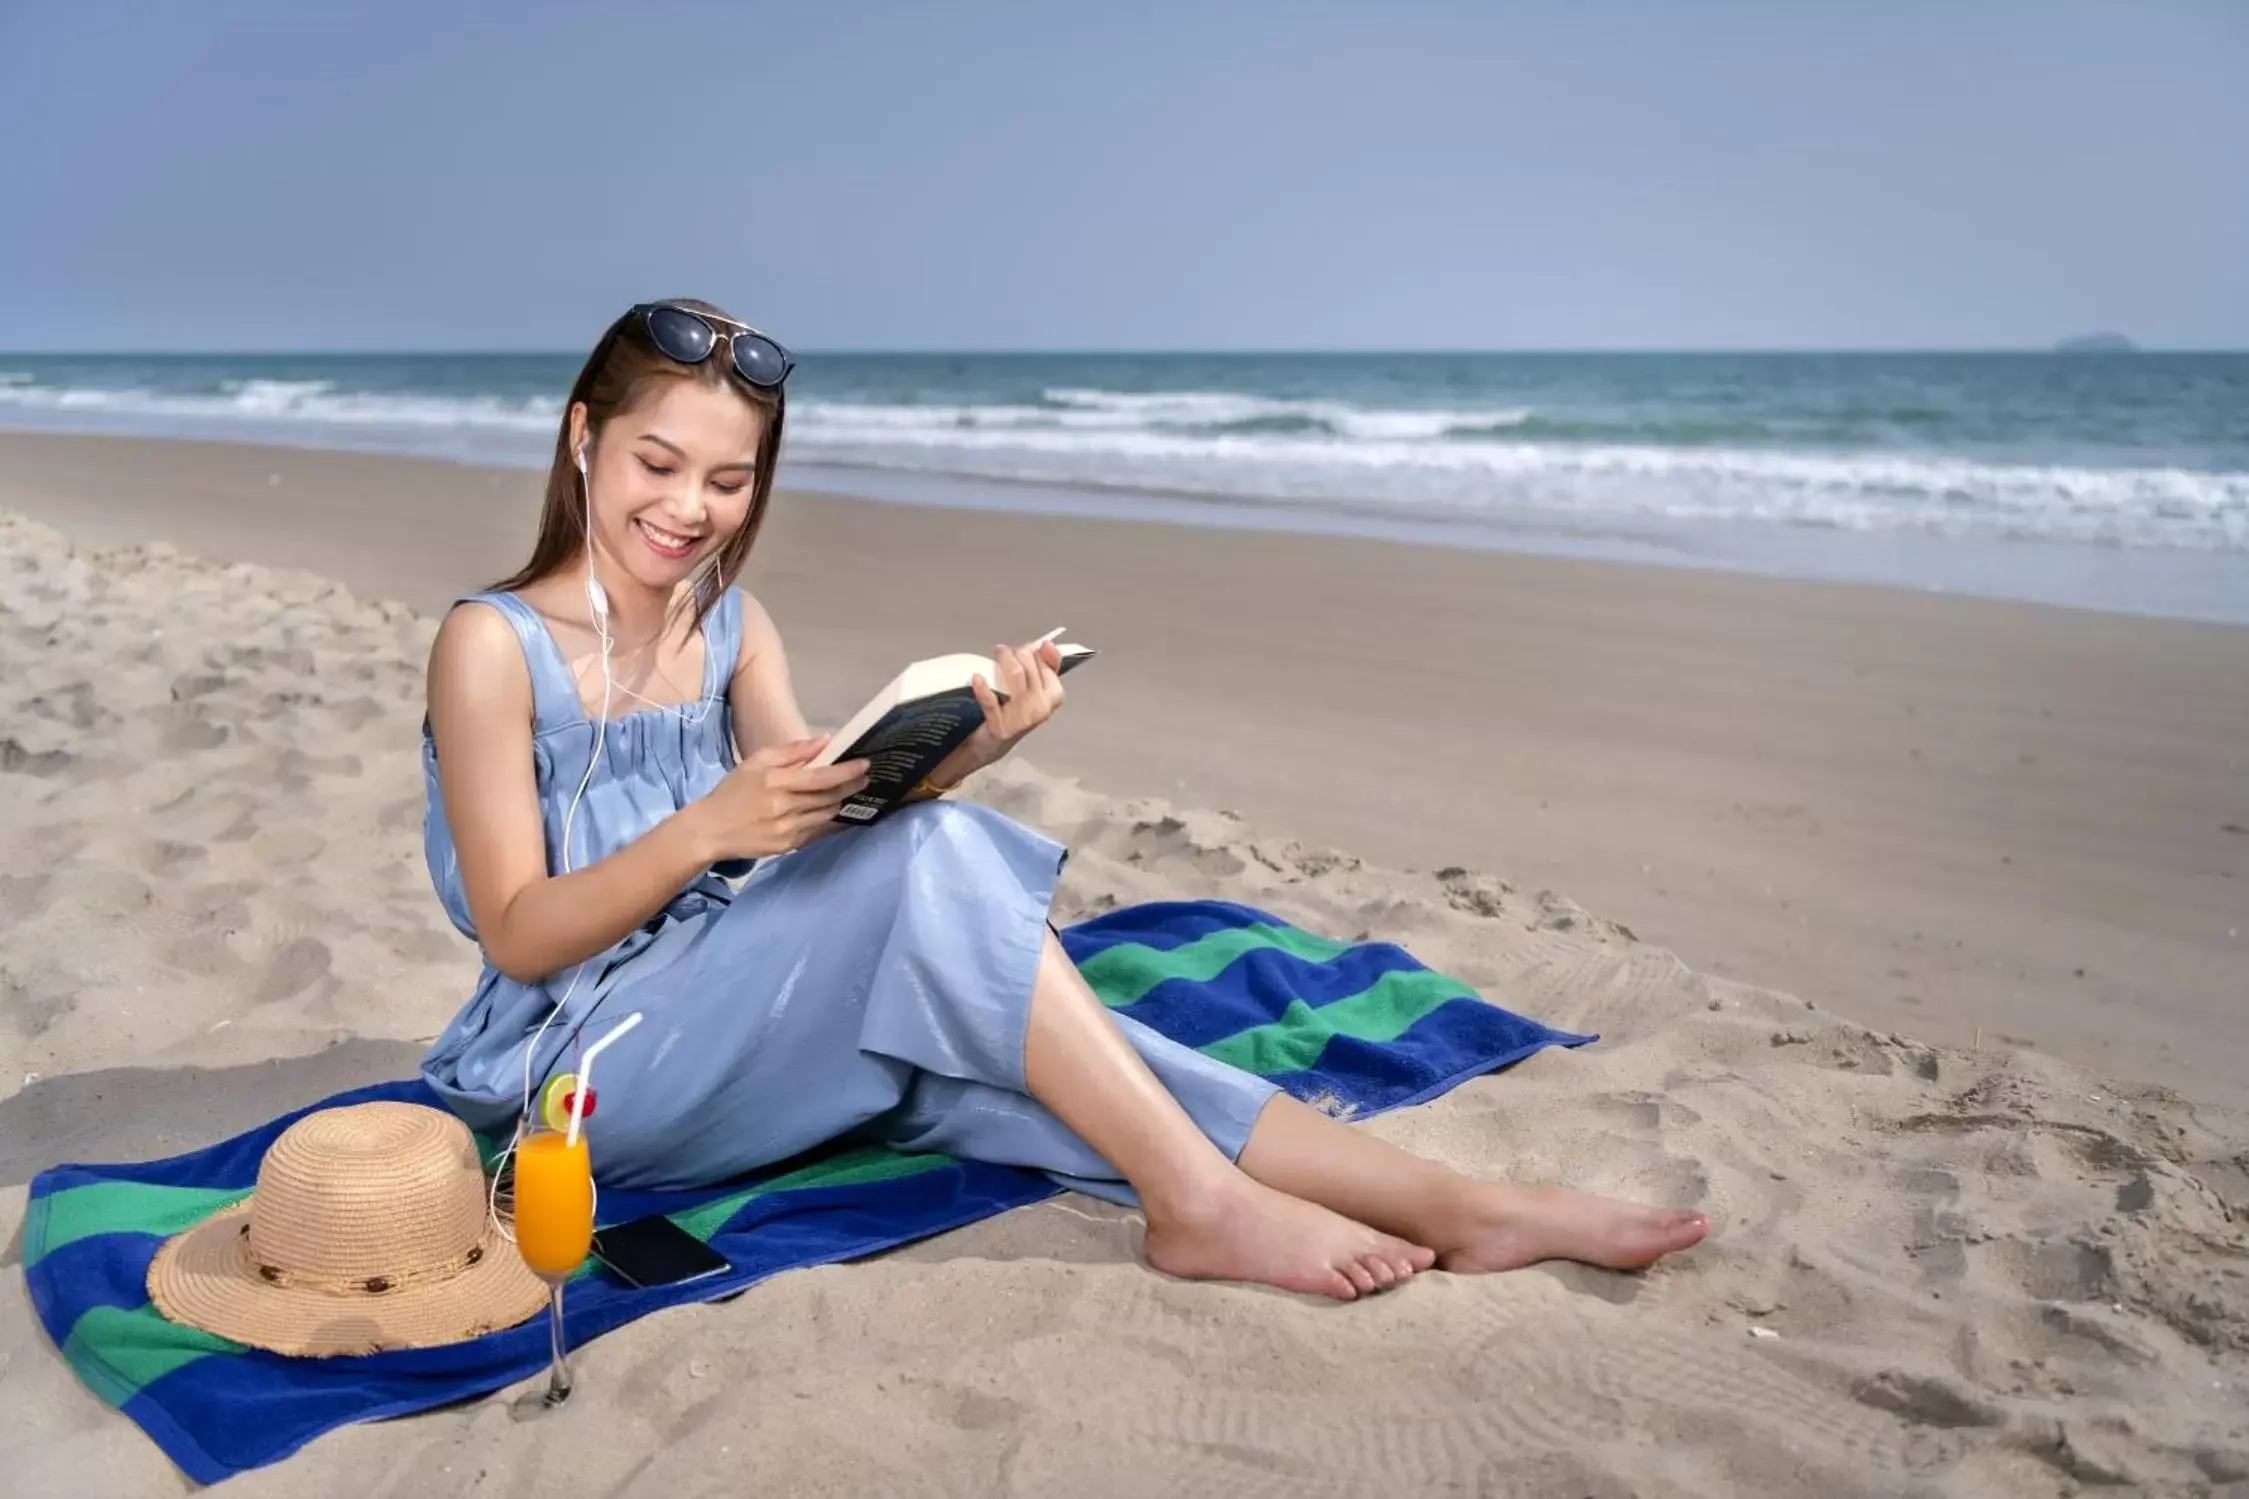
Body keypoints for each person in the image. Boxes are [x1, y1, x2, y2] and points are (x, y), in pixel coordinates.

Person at [417, 298, 1710, 1302]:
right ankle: (1200, 1208)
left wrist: (970, 745)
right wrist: (705, 828)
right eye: (658, 462)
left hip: (741, 1009)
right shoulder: (492, 645)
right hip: (585, 1083)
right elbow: (519, 932)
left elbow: (834, 826)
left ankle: (1455, 1202)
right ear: (584, 435)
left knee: (1052, 1065)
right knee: (952, 901)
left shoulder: (735, 626)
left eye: (729, 478)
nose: (690, 507)